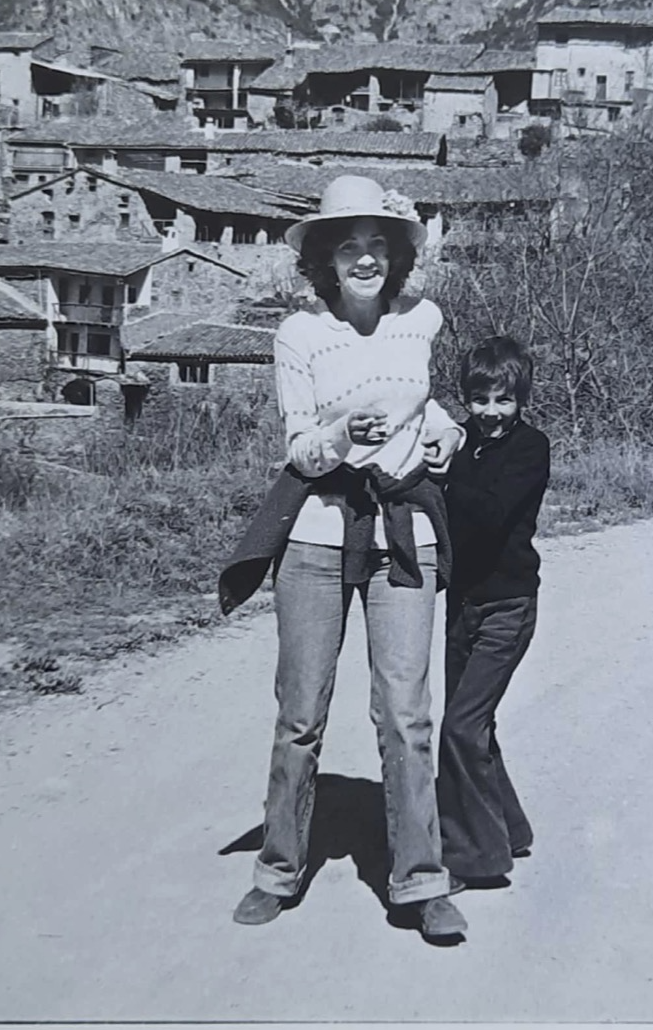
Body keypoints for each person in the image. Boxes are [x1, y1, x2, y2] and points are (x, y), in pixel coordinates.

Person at [218, 173, 469, 940]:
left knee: (405, 714)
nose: (364, 259)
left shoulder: (420, 319)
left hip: (403, 532)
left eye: (377, 246)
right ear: (323, 259)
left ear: (396, 256)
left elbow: (427, 405)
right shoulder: (299, 335)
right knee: (300, 714)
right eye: (348, 246)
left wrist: (449, 436)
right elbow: (298, 443)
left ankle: (420, 881)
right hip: (319, 537)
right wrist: (337, 442)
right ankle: (279, 867)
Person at [436, 336, 551, 887]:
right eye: (479, 399)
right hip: (463, 603)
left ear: (520, 398)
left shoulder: (531, 447)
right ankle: (509, 826)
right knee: (473, 723)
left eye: (503, 400)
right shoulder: (462, 443)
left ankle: (475, 858)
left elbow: (489, 512)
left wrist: (438, 473)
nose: (490, 412)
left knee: (462, 726)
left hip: (508, 606)